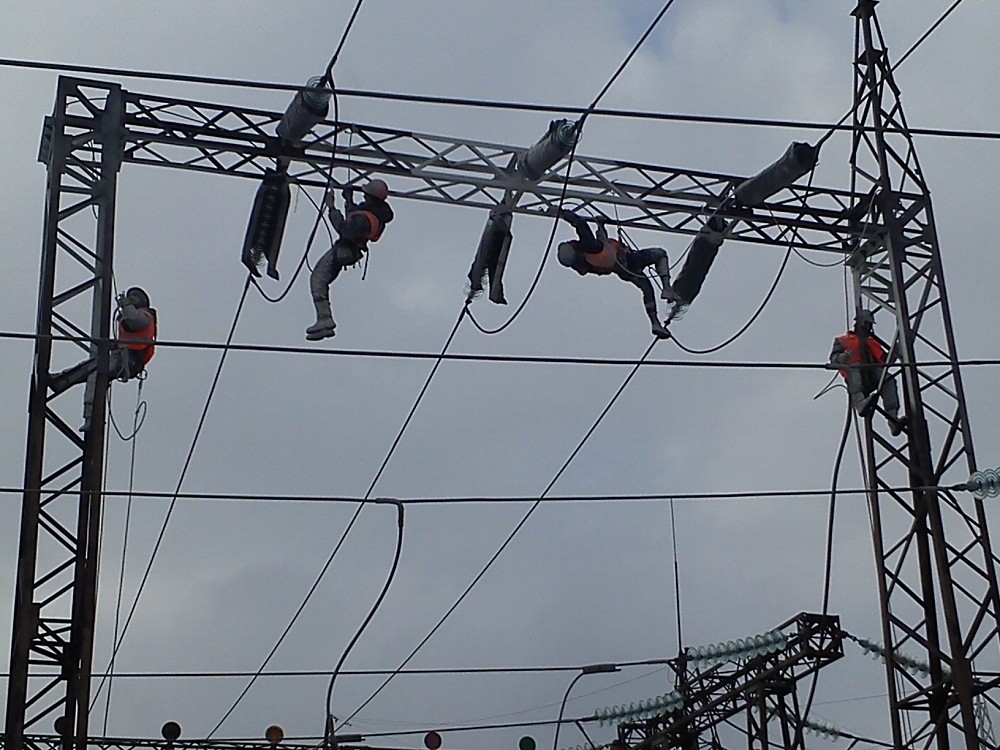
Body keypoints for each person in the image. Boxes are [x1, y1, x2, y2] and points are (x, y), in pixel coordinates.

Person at [555, 208, 679, 338]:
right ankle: (667, 288)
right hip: (630, 260)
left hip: (624, 271)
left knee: (647, 288)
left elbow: (603, 245)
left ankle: (655, 322)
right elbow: (583, 227)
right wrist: (567, 215)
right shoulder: (590, 248)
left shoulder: (587, 263)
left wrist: (600, 225)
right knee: (660, 254)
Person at [49, 286, 157, 430]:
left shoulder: (146, 316)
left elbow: (134, 323)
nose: (131, 298)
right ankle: (62, 382)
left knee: (97, 372)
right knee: (91, 369)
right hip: (122, 357)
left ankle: (63, 383)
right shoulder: (129, 316)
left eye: (135, 296)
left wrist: (125, 305)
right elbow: (127, 338)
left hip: (130, 361)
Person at [306, 179, 394, 341]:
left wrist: (332, 207)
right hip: (350, 250)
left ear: (370, 196)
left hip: (345, 249)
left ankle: (324, 319)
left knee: (317, 280)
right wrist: (348, 200)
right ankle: (324, 320)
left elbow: (344, 228)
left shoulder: (366, 218)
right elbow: (354, 217)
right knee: (320, 280)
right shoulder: (375, 213)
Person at [829, 309, 906, 436]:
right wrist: (843, 357)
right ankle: (860, 404)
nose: (868, 328)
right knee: (855, 370)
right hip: (856, 377)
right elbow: (833, 360)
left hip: (872, 374)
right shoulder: (842, 340)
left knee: (888, 379)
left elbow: (885, 361)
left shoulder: (871, 342)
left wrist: (895, 351)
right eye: (867, 324)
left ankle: (892, 418)